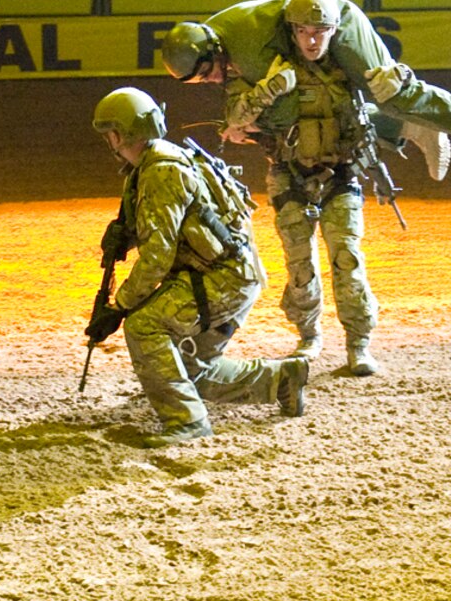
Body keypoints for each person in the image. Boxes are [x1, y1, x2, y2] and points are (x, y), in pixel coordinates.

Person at [84, 87, 308, 446]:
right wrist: (125, 236)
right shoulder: (160, 161)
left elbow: (157, 259)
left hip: (219, 279)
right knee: (189, 368)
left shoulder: (159, 172)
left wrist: (119, 307)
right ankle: (281, 380)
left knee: (144, 326)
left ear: (119, 134)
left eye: (109, 134)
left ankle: (186, 423)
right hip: (230, 274)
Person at [159, 0, 451, 180]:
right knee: (315, 106)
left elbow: (284, 109)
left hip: (331, 25)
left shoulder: (249, 48)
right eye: (203, 80)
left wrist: (247, 124)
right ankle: (407, 126)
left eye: (210, 73)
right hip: (303, 37)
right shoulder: (217, 40)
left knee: (391, 90)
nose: (214, 81)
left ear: (215, 52)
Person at [217, 0, 395, 374]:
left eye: (321, 32)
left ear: (334, 32)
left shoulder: (349, 68)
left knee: (347, 258)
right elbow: (234, 116)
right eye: (303, 32)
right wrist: (270, 88)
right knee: (300, 265)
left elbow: (387, 100)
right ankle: (308, 333)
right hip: (290, 174)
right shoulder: (268, 67)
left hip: (340, 172)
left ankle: (358, 341)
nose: (312, 40)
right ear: (292, 32)